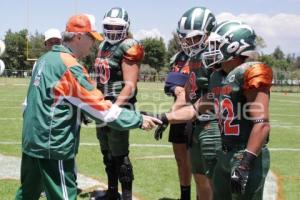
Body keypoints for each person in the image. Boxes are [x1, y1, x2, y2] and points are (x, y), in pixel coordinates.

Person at [15, 13, 160, 200]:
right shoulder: (70, 66)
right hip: (52, 144)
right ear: (78, 37)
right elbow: (101, 110)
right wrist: (138, 119)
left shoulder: (45, 59)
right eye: (91, 38)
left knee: (27, 194)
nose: (93, 44)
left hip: (31, 141)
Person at [155, 20, 272, 200]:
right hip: (224, 152)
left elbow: (262, 124)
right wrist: (163, 117)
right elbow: (195, 109)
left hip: (245, 154)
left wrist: (245, 163)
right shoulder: (217, 76)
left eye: (216, 45)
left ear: (234, 46)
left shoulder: (251, 71)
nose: (211, 50)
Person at [161, 7, 221, 200]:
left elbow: (208, 100)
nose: (188, 42)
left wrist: (167, 117)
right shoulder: (193, 58)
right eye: (184, 37)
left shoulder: (216, 58)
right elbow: (182, 91)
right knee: (200, 177)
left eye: (193, 37)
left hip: (214, 125)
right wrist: (167, 117)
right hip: (196, 121)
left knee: (215, 180)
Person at [93, 7, 144, 200]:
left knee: (120, 154)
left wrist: (114, 108)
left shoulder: (129, 45)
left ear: (126, 27)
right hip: (102, 105)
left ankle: (127, 196)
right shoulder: (103, 45)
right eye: (109, 26)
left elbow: (130, 86)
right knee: (106, 152)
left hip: (119, 105)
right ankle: (112, 192)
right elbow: (100, 79)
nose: (113, 30)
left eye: (118, 26)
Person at [22, 28, 62, 111]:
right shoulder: (39, 62)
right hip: (42, 109)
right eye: (51, 42)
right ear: (45, 44)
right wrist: (26, 104)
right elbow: (35, 85)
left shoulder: (66, 62)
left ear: (61, 43)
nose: (54, 45)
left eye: (57, 42)